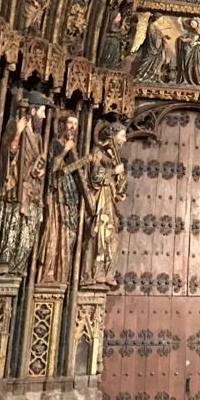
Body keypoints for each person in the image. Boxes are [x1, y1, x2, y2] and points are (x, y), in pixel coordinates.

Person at [0, 91, 52, 276]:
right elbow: (8, 153)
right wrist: (17, 134)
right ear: (32, 111)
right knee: (12, 227)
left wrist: (40, 171)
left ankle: (19, 263)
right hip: (15, 188)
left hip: (32, 189)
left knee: (28, 231)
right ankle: (5, 261)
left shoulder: (38, 137)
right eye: (42, 111)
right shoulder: (14, 125)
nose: (44, 116)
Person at [37, 112, 83, 285]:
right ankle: (50, 271)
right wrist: (65, 150)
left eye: (75, 124)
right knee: (56, 230)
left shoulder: (74, 148)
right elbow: (53, 166)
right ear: (62, 124)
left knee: (69, 233)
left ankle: (62, 272)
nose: (72, 127)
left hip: (70, 193)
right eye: (70, 123)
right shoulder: (56, 143)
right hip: (58, 192)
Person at [81, 122, 128, 287]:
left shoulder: (113, 157)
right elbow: (94, 176)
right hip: (100, 200)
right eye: (122, 135)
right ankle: (95, 272)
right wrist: (114, 172)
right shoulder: (98, 153)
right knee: (101, 234)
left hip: (109, 200)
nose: (125, 139)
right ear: (112, 136)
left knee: (111, 237)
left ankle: (108, 272)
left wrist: (120, 188)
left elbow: (117, 182)